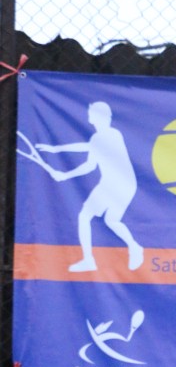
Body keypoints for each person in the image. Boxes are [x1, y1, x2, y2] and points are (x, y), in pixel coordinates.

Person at [35, 100, 143, 272]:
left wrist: (57, 150)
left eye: (92, 114)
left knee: (96, 218)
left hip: (122, 184)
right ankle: (96, 258)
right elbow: (89, 166)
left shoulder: (113, 134)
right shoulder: (97, 138)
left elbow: (89, 146)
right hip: (111, 184)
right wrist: (65, 175)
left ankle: (132, 248)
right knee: (102, 219)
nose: (89, 117)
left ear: (103, 117)